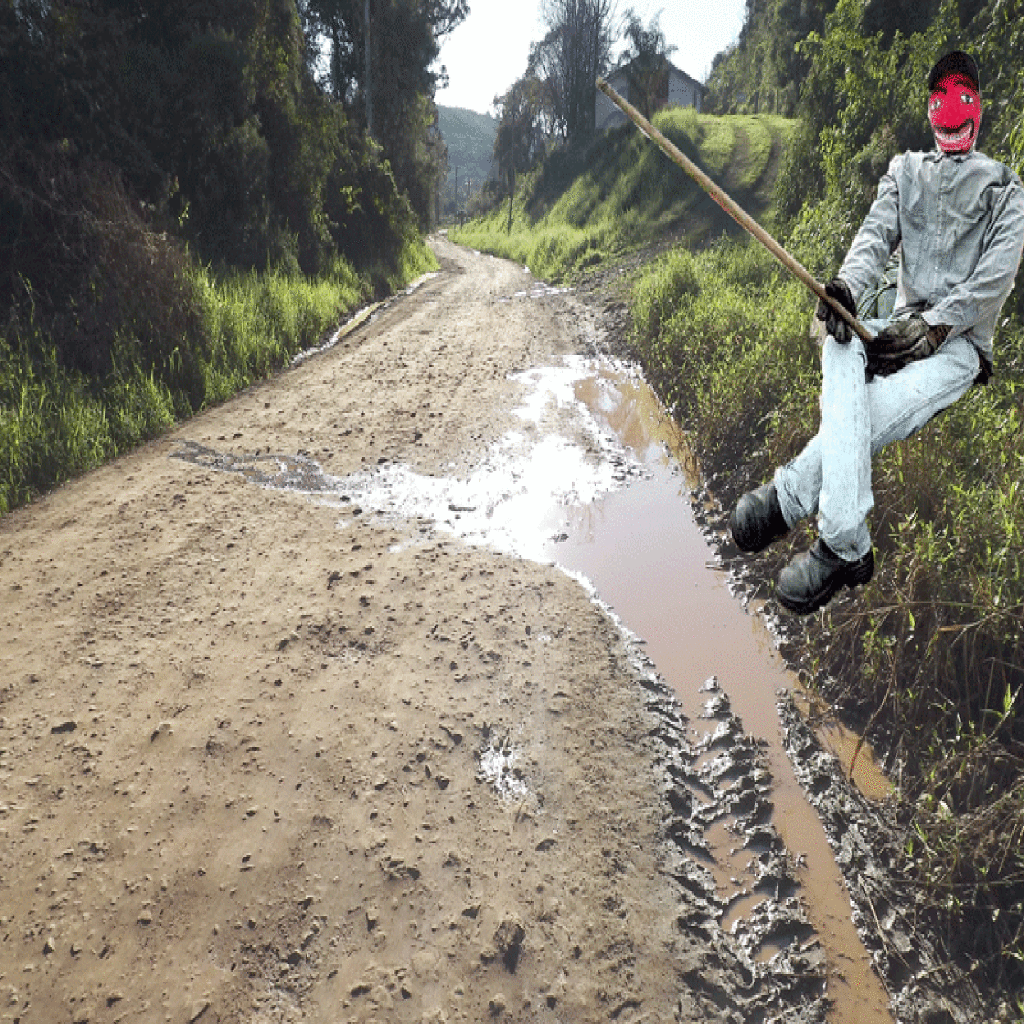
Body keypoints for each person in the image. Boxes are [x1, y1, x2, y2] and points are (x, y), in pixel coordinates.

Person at [729, 50, 1024, 615]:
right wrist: (843, 290)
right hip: (894, 323)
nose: (952, 108)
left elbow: (995, 279)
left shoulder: (1007, 190)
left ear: (977, 108)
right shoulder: (904, 171)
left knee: (874, 404)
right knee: (837, 344)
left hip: (958, 346)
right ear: (930, 108)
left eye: (963, 95)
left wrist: (936, 327)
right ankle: (839, 539)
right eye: (941, 95)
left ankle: (809, 514)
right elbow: (872, 238)